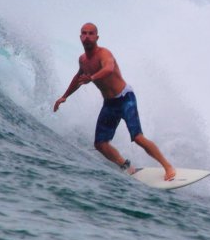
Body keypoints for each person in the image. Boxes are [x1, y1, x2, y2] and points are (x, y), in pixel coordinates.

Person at [53, 23, 176, 181]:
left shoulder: (104, 54)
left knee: (137, 137)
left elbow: (109, 68)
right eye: (84, 33)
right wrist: (65, 96)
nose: (87, 37)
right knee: (100, 144)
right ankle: (126, 167)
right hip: (110, 104)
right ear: (80, 37)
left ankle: (168, 167)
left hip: (125, 98)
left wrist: (92, 78)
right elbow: (78, 78)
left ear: (97, 37)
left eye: (91, 33)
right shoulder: (83, 60)